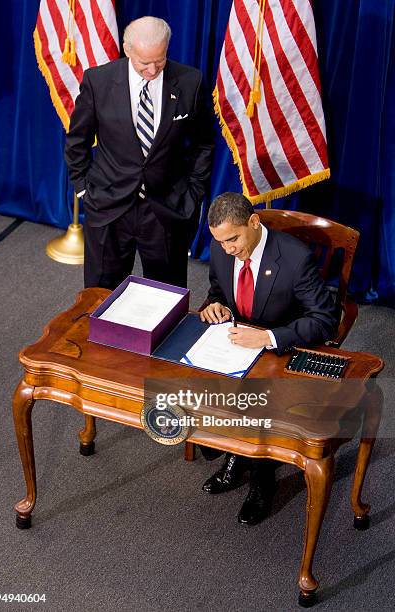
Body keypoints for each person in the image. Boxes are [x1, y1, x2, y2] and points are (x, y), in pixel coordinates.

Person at [199, 192, 338, 525]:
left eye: (233, 239)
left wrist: (269, 337)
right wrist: (213, 306)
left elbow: (325, 319)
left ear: (254, 222)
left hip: (281, 349)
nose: (228, 249)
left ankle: (262, 478)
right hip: (234, 344)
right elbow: (218, 291)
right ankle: (235, 455)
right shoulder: (222, 252)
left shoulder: (294, 258)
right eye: (220, 242)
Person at [64, 16, 214, 289]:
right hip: (109, 204)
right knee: (101, 294)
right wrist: (84, 189)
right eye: (144, 62)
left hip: (166, 209)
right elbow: (77, 141)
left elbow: (204, 143)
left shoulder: (190, 81)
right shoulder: (99, 81)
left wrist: (194, 192)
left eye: (160, 60)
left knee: (165, 296)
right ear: (127, 49)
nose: (153, 69)